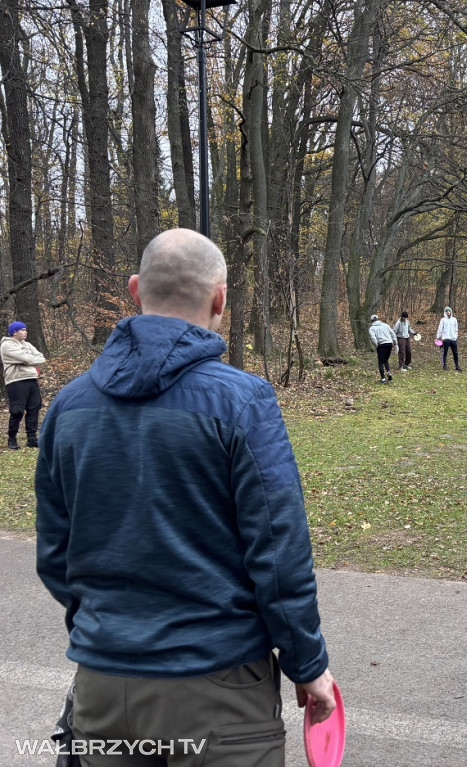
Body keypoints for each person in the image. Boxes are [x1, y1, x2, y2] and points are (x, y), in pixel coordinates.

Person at [34, 229, 335, 766]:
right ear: (220, 299)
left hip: (103, 685)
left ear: (134, 291)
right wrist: (307, 665)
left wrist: (109, 630)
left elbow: (55, 553)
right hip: (218, 689)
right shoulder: (241, 401)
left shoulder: (68, 406)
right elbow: (278, 549)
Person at [1, 321, 45, 449]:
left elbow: (41, 358)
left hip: (31, 378)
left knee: (34, 407)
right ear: (14, 332)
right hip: (16, 380)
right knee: (17, 411)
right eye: (23, 330)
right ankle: (12, 439)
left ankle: (31, 439)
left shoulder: (27, 345)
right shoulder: (6, 345)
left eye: (25, 330)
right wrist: (28, 360)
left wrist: (28, 360)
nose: (26, 332)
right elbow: (26, 359)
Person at [369, 313, 398, 383]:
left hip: (381, 345)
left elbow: (373, 338)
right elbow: (393, 334)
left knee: (380, 362)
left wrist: (377, 345)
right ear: (378, 319)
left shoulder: (372, 328)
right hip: (389, 344)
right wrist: (395, 343)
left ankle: (383, 379)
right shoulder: (385, 325)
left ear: (372, 321)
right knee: (386, 360)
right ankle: (389, 374)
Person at [436, 306, 461, 371]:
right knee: (444, 353)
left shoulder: (454, 320)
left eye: (449, 311)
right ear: (445, 312)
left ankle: (457, 366)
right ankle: (444, 365)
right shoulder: (443, 320)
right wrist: (437, 337)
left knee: (455, 353)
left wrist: (455, 336)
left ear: (451, 312)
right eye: (446, 311)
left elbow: (456, 329)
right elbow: (440, 329)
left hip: (453, 339)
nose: (448, 312)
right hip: (446, 339)